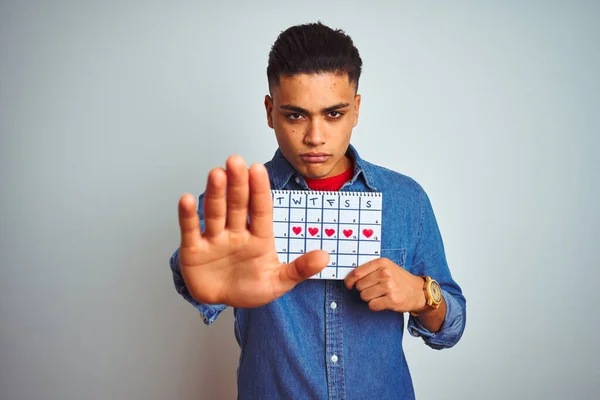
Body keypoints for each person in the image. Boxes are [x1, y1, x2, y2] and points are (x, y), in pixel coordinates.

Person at [170, 22, 466, 399]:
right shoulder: (232, 202)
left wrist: (424, 295)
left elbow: (452, 327)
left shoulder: (406, 200)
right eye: (295, 115)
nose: (315, 136)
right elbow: (195, 271)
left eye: (333, 114)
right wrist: (197, 280)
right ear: (269, 110)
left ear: (356, 109)